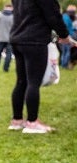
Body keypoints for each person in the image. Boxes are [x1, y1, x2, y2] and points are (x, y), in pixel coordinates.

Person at [8, 0, 72, 133]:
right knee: (33, 82)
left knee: (21, 82)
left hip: (17, 38)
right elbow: (53, 15)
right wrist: (64, 35)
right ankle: (32, 122)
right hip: (34, 39)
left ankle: (17, 120)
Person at [0, 4, 14, 72]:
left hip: (0, 38)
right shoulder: (13, 17)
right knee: (8, 54)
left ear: (4, 8)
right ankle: (5, 69)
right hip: (10, 39)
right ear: (11, 8)